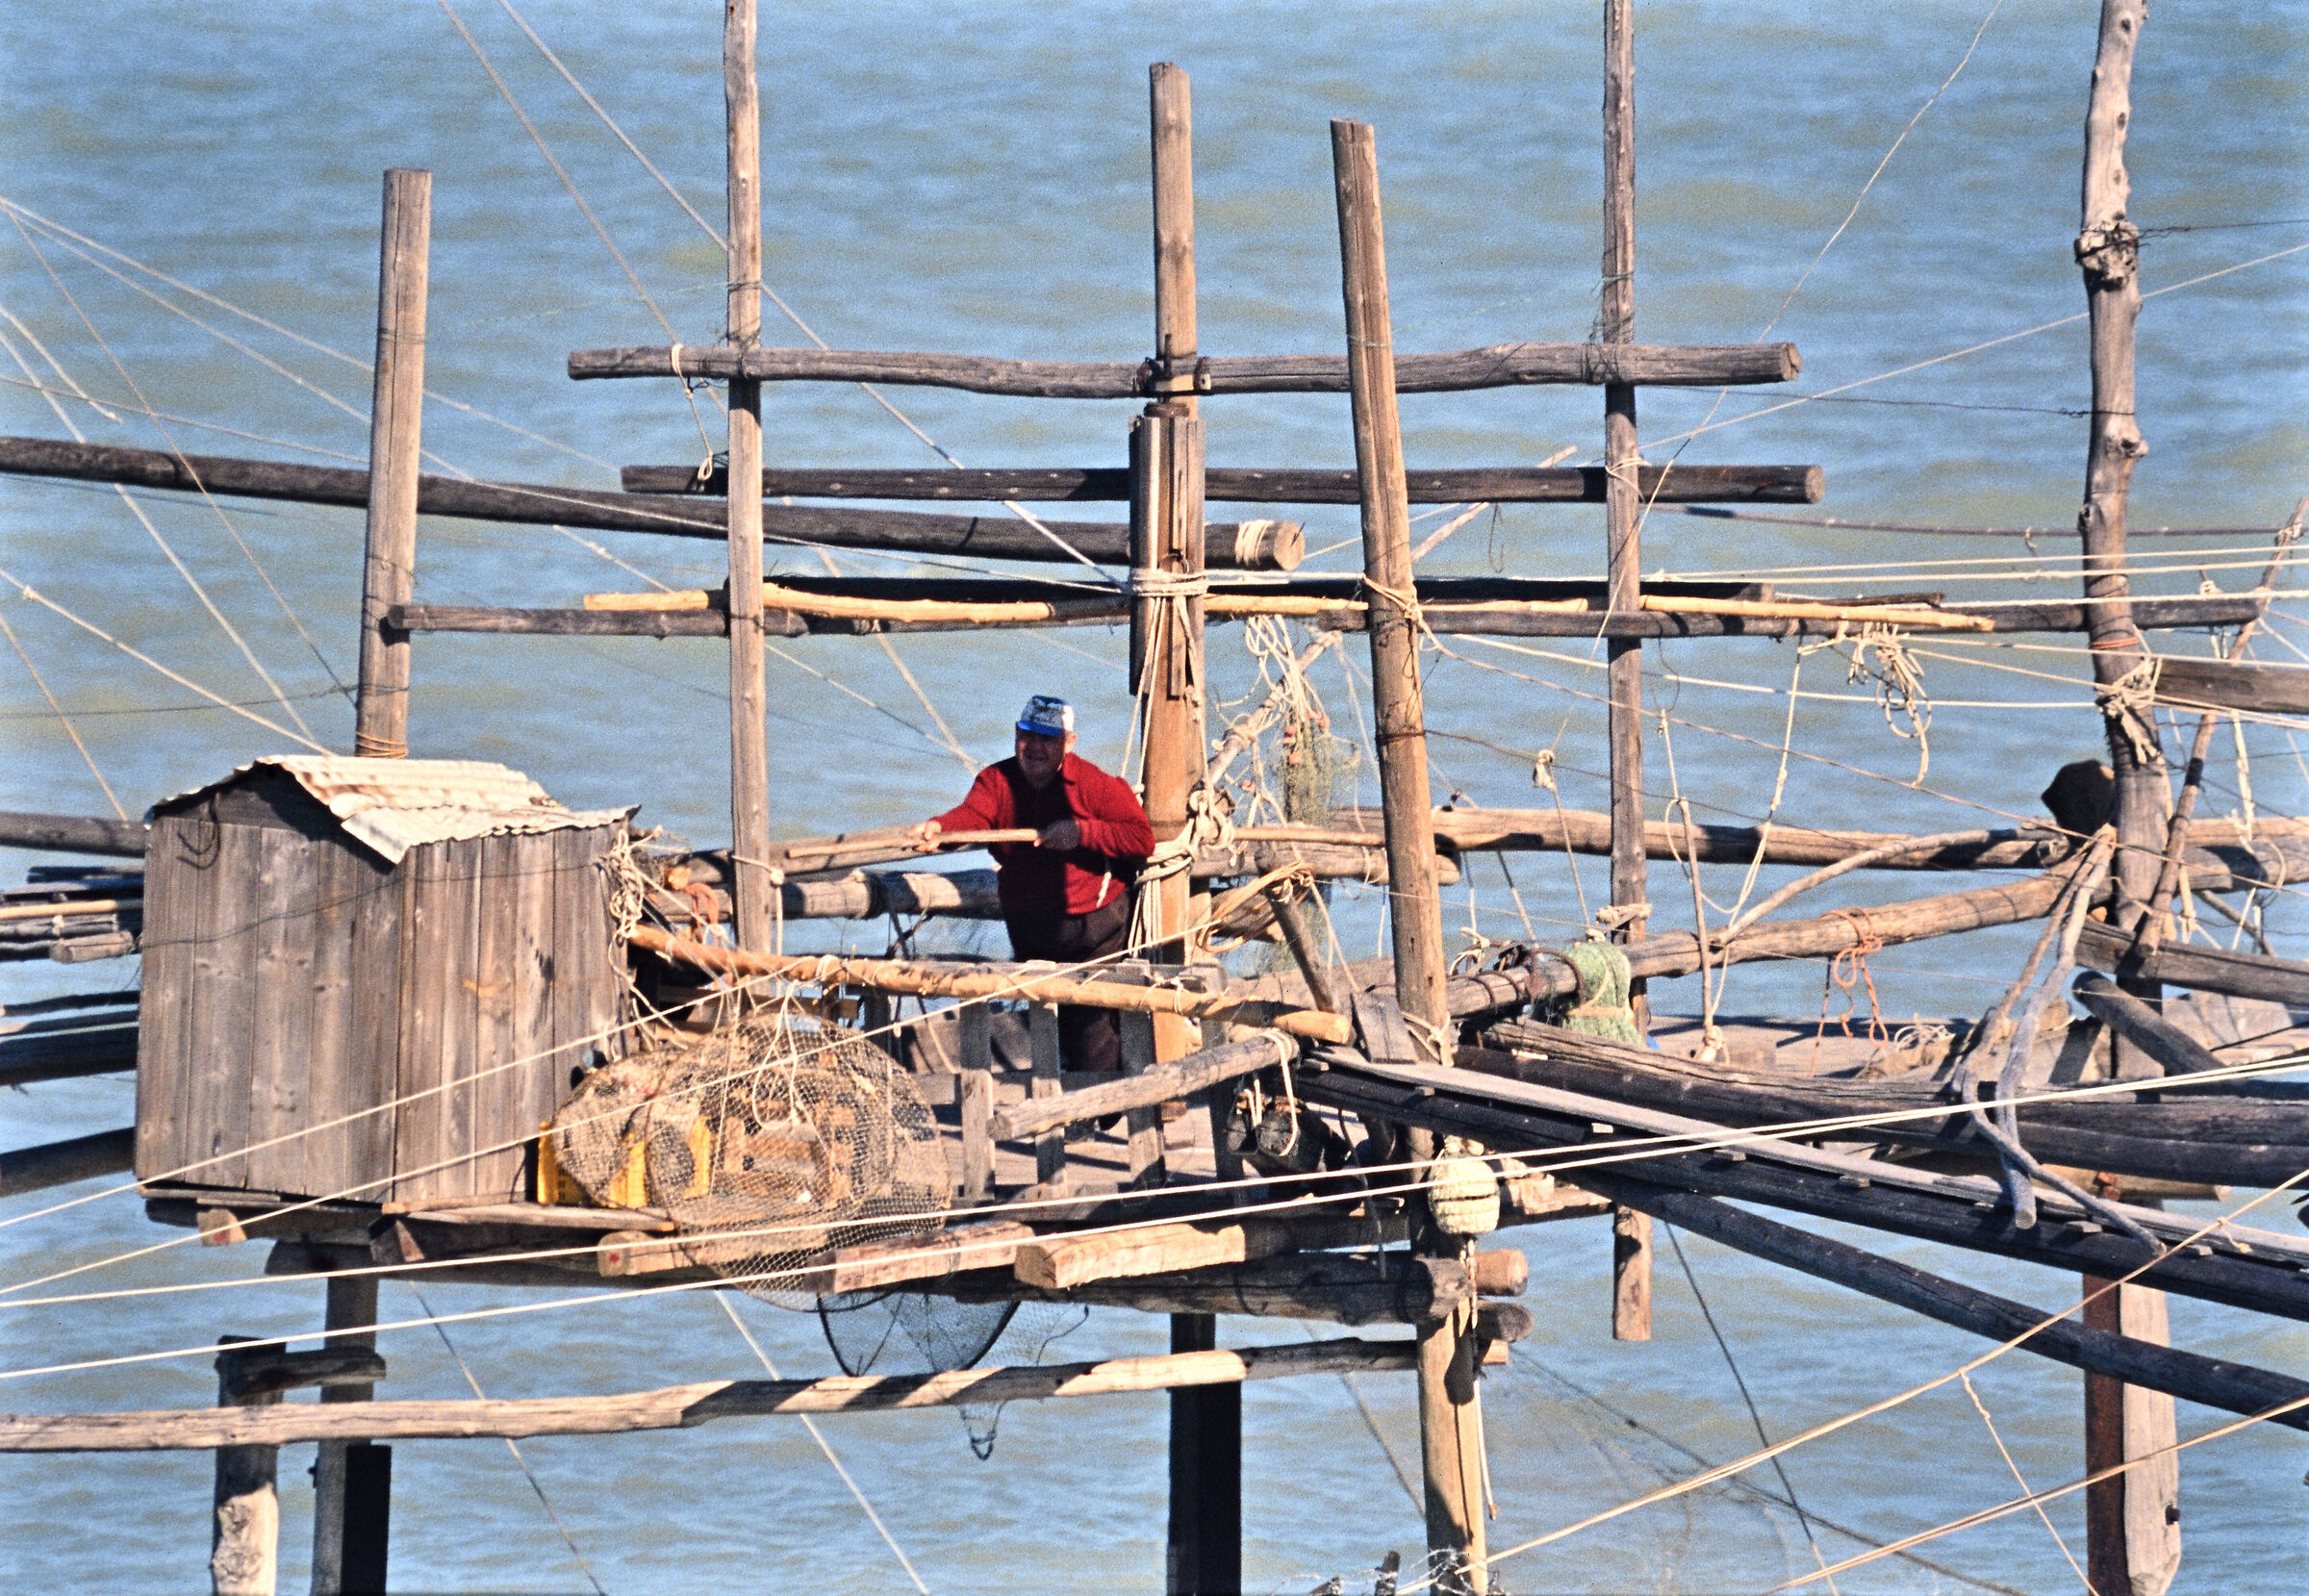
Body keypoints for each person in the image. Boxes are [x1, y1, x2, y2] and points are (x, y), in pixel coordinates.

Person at [910, 695, 1154, 1073]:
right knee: (1046, 1014)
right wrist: (940, 829)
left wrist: (1082, 832)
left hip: (1094, 921)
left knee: (1092, 1022)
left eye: (1048, 738)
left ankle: (1101, 1106)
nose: (1035, 747)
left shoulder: (1094, 784)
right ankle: (1060, 1100)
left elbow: (1141, 838)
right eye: (1027, 735)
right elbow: (973, 816)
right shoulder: (995, 780)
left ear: (1068, 744)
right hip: (1029, 923)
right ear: (1016, 736)